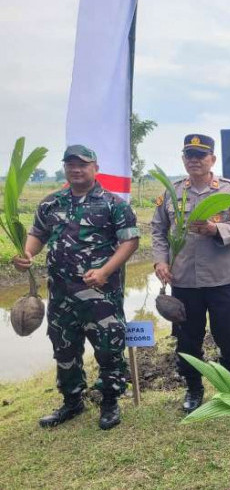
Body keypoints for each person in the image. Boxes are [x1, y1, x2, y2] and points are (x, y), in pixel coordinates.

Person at [13, 144, 140, 430]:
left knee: (108, 347)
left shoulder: (113, 204)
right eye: (70, 164)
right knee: (64, 348)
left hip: (101, 294)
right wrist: (27, 254)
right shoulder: (50, 203)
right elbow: (37, 235)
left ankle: (110, 401)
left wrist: (105, 271)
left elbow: (130, 242)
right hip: (61, 294)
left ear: (95, 168)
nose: (76, 169)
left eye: (82, 164)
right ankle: (72, 401)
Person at [152, 134, 230, 413]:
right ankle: (194, 389)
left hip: (221, 280)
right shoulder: (171, 192)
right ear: (183, 159)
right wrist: (160, 261)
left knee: (228, 336)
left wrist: (216, 229)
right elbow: (158, 230)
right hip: (183, 281)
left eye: (201, 155)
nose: (195, 160)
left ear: (213, 159)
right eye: (189, 155)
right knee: (187, 340)